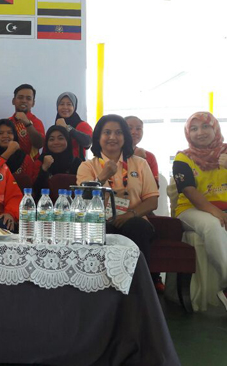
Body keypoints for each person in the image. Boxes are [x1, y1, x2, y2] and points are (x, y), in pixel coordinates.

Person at [77, 114, 159, 263]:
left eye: (118, 132)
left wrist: (130, 215)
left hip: (135, 220)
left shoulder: (140, 163)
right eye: (107, 132)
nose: (112, 137)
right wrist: (101, 177)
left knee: (136, 227)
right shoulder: (87, 166)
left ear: (125, 137)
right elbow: (83, 201)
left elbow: (152, 201)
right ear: (98, 137)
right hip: (100, 222)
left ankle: (139, 283)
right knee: (101, 230)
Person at [172, 112, 227, 309]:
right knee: (213, 224)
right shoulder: (183, 157)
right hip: (191, 210)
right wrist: (216, 212)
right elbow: (188, 190)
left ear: (215, 129)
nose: (200, 132)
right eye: (193, 129)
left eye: (205, 127)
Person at [33, 125, 82, 197]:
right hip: (45, 205)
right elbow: (35, 192)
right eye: (51, 139)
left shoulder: (77, 163)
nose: (56, 142)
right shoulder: (40, 161)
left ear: (67, 141)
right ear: (46, 143)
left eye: (60, 138)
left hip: (72, 206)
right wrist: (44, 168)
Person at [7, 84, 45, 158]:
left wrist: (28, 124)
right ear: (13, 101)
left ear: (33, 103)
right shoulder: (7, 122)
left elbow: (40, 144)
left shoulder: (37, 122)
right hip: (9, 166)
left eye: (28, 98)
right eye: (20, 97)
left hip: (31, 166)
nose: (24, 101)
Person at [54, 92, 92, 160]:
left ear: (74, 107)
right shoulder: (55, 126)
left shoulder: (82, 125)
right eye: (61, 104)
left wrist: (67, 127)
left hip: (77, 168)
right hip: (56, 167)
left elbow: (88, 143)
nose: (65, 107)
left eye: (69, 104)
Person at [125, 115, 159, 186]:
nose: (134, 132)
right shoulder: (113, 154)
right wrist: (135, 160)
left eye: (138, 129)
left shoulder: (149, 156)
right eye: (129, 128)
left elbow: (154, 186)